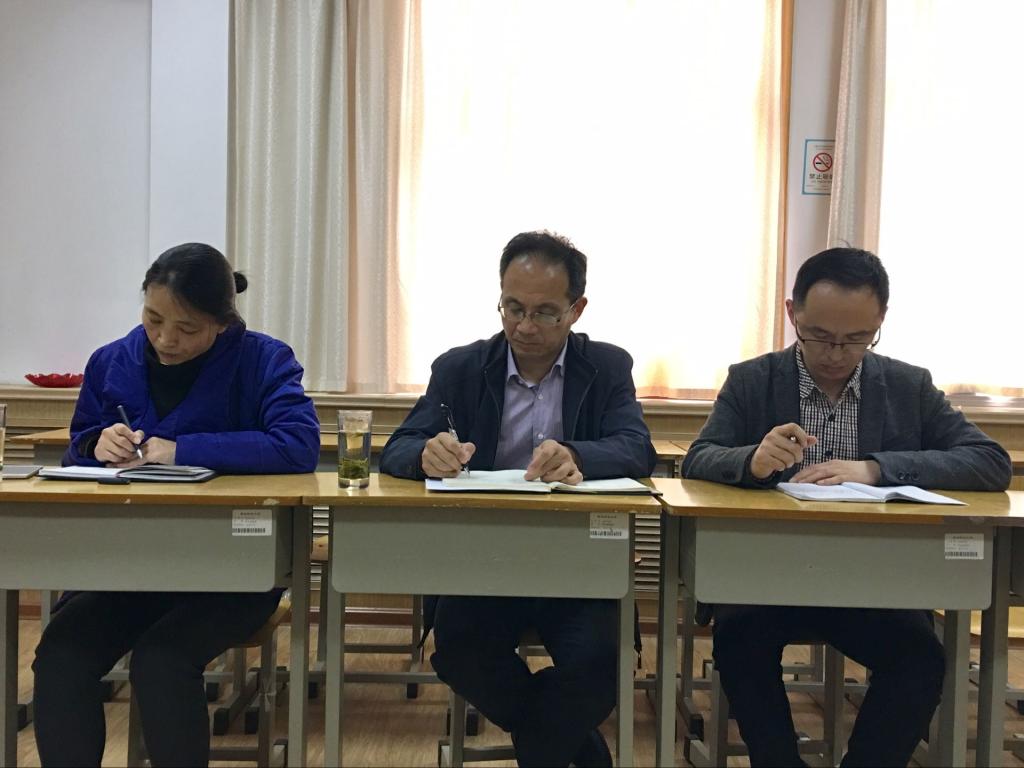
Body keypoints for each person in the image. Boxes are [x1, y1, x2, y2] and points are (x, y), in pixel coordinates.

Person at [683, 246, 1012, 767]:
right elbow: (698, 458)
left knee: (921, 658)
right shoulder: (752, 379)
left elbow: (990, 461)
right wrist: (752, 461)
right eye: (819, 336)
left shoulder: (908, 386)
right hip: (768, 575)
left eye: (856, 338)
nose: (836, 353)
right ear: (792, 313)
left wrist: (876, 469)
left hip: (875, 580)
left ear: (880, 321)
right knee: (739, 642)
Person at [32, 242, 320, 767]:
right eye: (153, 319)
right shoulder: (111, 360)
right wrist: (98, 445)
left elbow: (298, 445)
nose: (166, 339)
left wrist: (182, 449)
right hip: (129, 566)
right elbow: (80, 443)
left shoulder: (264, 360)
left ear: (223, 323)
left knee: (161, 660)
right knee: (61, 655)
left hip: (231, 571)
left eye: (187, 328)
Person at [381, 231, 656, 767]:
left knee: (600, 663)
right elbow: (399, 447)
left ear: (576, 309)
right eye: (513, 308)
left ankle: (552, 746)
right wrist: (426, 455)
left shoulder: (606, 366)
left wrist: (577, 456)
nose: (525, 326)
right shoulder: (460, 368)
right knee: (459, 652)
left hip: (577, 562)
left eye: (545, 312)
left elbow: (635, 448)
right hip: (480, 559)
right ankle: (578, 748)